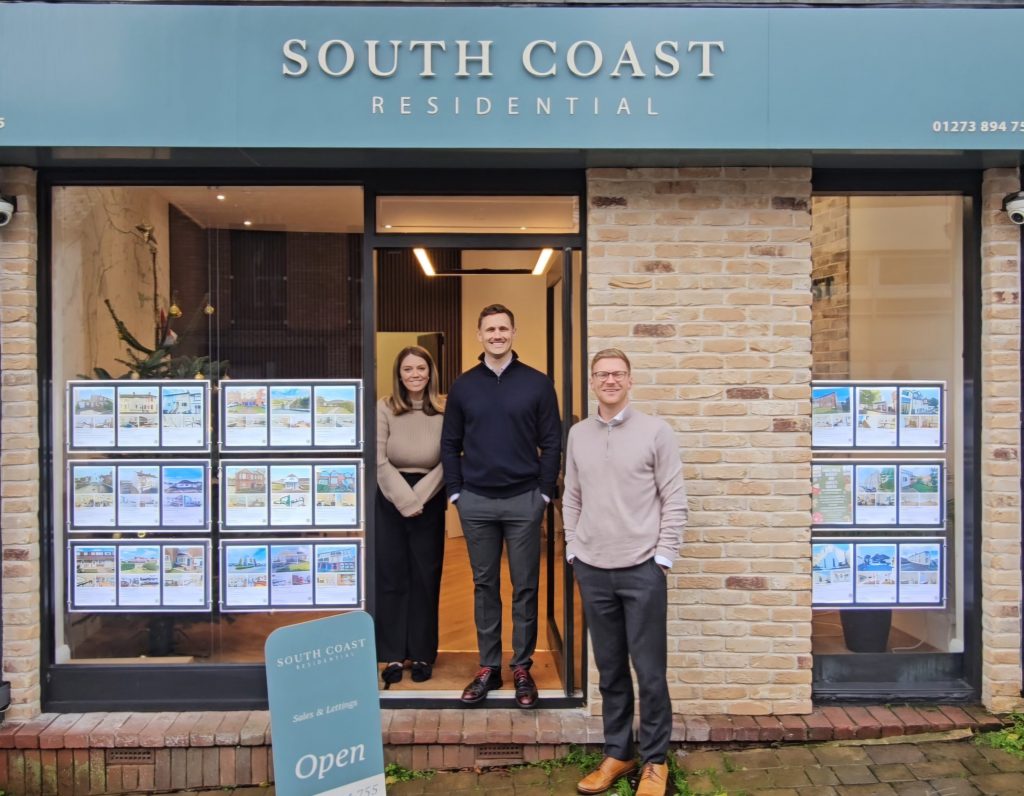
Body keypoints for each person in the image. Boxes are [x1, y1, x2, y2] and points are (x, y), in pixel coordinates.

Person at [563, 348, 688, 796]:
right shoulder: (578, 434)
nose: (610, 380)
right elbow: (571, 495)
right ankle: (619, 753)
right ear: (592, 382)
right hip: (593, 569)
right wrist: (573, 548)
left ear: (630, 380)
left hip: (642, 569)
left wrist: (663, 558)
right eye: (602, 374)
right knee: (610, 669)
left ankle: (655, 761)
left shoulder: (656, 431)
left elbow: (674, 498)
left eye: (618, 374)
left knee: (650, 673)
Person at [441, 304, 561, 708]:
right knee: (484, 586)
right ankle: (488, 667)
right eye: (490, 329)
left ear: (513, 333)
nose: (497, 335)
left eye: (503, 328)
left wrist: (543, 493)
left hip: (524, 500)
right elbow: (449, 442)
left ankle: (522, 666)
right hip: (475, 501)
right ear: (479, 335)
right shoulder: (464, 386)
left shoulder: (538, 384)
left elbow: (552, 442)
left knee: (525, 586)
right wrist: (456, 493)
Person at [375, 346, 447, 689]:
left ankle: (421, 653)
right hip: (390, 497)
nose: (415, 374)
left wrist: (420, 497)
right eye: (408, 369)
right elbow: (378, 459)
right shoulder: (384, 407)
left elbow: (450, 458)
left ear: (430, 372)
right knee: (391, 576)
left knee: (425, 577)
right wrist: (405, 499)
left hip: (430, 497)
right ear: (399, 374)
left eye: (421, 368)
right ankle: (391, 653)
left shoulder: (445, 409)